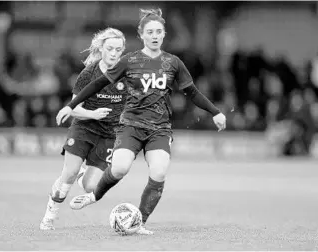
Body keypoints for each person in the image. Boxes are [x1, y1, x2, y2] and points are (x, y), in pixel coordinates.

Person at [56, 8, 226, 235]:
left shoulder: (173, 63)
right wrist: (70, 105)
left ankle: (140, 222)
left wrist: (215, 112)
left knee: (159, 172)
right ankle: (94, 195)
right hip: (131, 125)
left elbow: (192, 93)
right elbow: (96, 84)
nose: (155, 36)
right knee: (120, 168)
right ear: (142, 35)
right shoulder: (130, 60)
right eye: (150, 32)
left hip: (159, 129)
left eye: (159, 32)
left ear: (164, 35)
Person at [40, 28, 127, 230]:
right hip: (84, 128)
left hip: (109, 135)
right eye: (110, 48)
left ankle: (82, 175)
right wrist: (92, 114)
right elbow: (74, 109)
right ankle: (49, 216)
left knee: (91, 187)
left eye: (118, 49)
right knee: (67, 174)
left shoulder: (127, 75)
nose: (114, 53)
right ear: (101, 49)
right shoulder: (89, 73)